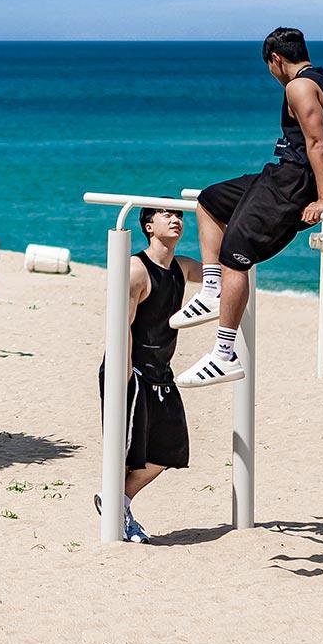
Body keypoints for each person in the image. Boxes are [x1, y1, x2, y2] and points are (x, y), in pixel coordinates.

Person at [172, 28, 323, 387]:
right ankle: (210, 289)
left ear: (276, 59)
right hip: (282, 175)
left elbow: (319, 144)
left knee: (235, 252)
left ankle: (223, 354)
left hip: (294, 183)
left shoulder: (297, 87)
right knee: (209, 200)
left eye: (269, 66)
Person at [97, 204, 208, 543]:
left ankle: (118, 500)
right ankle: (119, 511)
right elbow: (122, 327)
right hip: (130, 370)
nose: (175, 219)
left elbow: (220, 272)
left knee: (170, 449)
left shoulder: (182, 267)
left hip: (162, 373)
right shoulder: (135, 270)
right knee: (128, 452)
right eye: (165, 215)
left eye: (179, 215)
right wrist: (124, 376)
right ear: (148, 226)